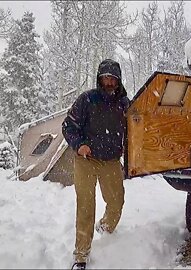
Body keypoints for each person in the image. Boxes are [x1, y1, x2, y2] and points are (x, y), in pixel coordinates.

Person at [62, 59, 129, 270]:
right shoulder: (87, 99)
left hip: (111, 161)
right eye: (106, 78)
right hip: (86, 160)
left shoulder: (125, 104)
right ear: (100, 79)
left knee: (117, 202)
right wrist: (79, 144)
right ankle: (81, 255)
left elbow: (137, 128)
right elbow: (68, 126)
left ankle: (106, 228)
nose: (109, 82)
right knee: (85, 206)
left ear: (118, 81)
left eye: (113, 79)